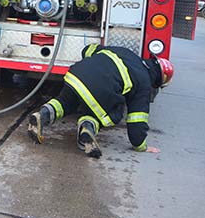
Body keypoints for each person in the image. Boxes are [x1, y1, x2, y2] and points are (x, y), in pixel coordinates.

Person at [27, 44, 174, 158]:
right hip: (99, 90)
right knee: (115, 111)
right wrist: (140, 145)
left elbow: (87, 49)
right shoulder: (144, 84)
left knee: (65, 102)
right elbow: (137, 120)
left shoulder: (126, 52)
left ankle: (42, 115)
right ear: (159, 81)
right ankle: (87, 127)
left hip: (75, 75)